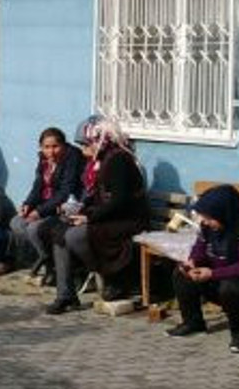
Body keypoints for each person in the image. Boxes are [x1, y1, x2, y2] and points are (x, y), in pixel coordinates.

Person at [45, 116, 149, 315]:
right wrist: (79, 211)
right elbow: (97, 197)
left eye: (85, 144)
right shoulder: (102, 160)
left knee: (75, 236)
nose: (83, 150)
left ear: (100, 141)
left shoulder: (119, 160)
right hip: (109, 217)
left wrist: (90, 217)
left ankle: (111, 277)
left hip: (127, 220)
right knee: (60, 233)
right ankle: (65, 295)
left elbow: (120, 201)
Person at [165, 185, 239, 355]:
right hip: (216, 279)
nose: (205, 221)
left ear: (224, 213)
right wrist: (193, 262)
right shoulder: (208, 228)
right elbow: (200, 246)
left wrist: (213, 273)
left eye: (209, 218)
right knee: (181, 274)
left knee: (230, 287)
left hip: (232, 283)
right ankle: (193, 323)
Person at [10, 127, 84, 279]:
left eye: (55, 146)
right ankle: (47, 258)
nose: (51, 151)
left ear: (63, 145)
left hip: (63, 206)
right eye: (46, 147)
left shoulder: (72, 159)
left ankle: (53, 264)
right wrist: (28, 204)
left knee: (33, 228)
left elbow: (66, 191)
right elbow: (38, 185)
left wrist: (40, 212)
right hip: (45, 203)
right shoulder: (43, 160)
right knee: (16, 222)